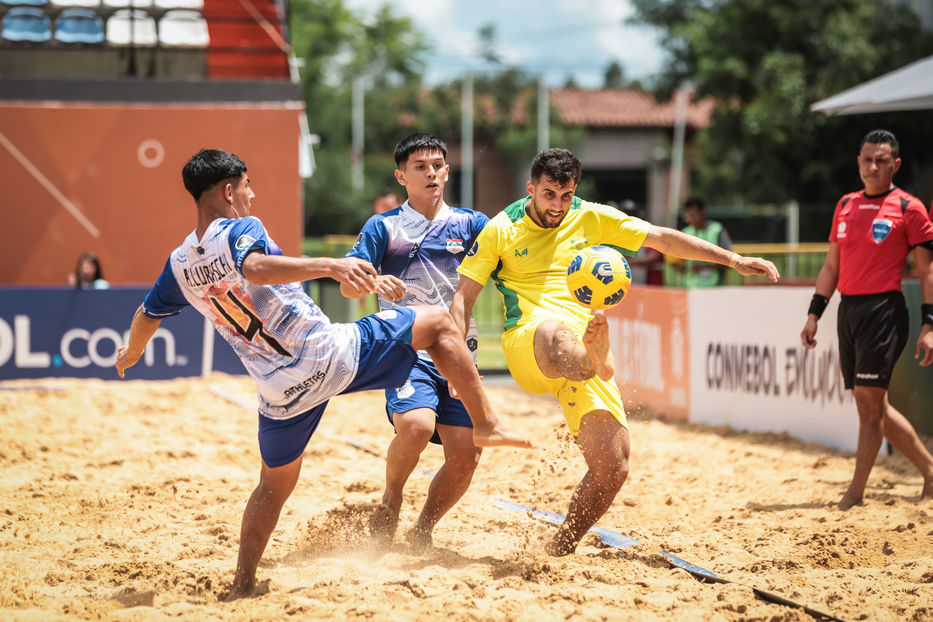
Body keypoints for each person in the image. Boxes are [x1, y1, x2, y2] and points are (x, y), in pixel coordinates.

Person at [113, 149, 531, 599]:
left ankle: (242, 583)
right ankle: (485, 422)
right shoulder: (241, 228)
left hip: (278, 391)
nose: (253, 194)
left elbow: (147, 314)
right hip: (326, 354)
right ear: (228, 191)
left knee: (271, 486)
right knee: (437, 322)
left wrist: (130, 353)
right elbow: (253, 267)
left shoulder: (179, 263)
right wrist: (331, 266)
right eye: (248, 185)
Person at [450, 148, 780, 556]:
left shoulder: (589, 216)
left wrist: (732, 259)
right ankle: (595, 360)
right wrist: (458, 365)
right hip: (529, 340)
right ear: (531, 188)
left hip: (584, 345)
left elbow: (660, 238)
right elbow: (462, 300)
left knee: (614, 464)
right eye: (549, 194)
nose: (558, 205)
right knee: (555, 334)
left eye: (566, 195)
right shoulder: (501, 228)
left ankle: (560, 548)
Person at [341, 133, 488, 551]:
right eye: (420, 167)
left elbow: (512, 259)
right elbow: (351, 288)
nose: (431, 173)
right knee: (417, 427)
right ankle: (391, 497)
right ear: (401, 176)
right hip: (406, 347)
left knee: (465, 457)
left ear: (447, 171)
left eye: (438, 165)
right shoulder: (383, 226)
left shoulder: (472, 224)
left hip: (460, 351)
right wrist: (370, 280)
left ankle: (422, 529)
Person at [800, 129, 933, 510]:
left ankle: (854, 494)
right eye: (867, 160)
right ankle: (929, 470)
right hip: (848, 310)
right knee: (873, 407)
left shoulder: (910, 208)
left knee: (869, 408)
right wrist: (814, 314)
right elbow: (831, 265)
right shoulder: (844, 204)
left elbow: (927, 272)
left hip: (884, 312)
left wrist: (930, 325)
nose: (873, 167)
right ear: (858, 162)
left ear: (896, 164)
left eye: (881, 160)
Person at [670, 197, 733, 287]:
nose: (692, 218)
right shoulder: (685, 232)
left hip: (715, 287)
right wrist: (677, 264)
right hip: (691, 287)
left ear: (702, 212)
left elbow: (729, 260)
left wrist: (705, 267)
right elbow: (683, 265)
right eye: (689, 215)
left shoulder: (717, 230)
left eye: (694, 214)